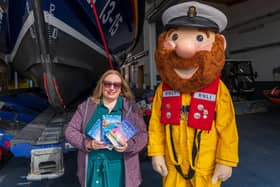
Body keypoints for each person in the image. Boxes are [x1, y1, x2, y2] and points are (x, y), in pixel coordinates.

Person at [147, 1, 239, 187]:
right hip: (174, 166)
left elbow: (227, 127)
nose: (185, 49)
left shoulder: (219, 90)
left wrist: (225, 161)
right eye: (175, 37)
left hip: (206, 168)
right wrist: (156, 153)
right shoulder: (163, 91)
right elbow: (156, 123)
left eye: (199, 38)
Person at [65, 69, 147, 187]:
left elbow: (143, 135)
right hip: (93, 168)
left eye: (116, 85)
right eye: (108, 84)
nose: (112, 88)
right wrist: (87, 143)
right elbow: (70, 131)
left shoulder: (130, 108)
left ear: (121, 88)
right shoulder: (87, 106)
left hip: (122, 171)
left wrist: (128, 146)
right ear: (101, 85)